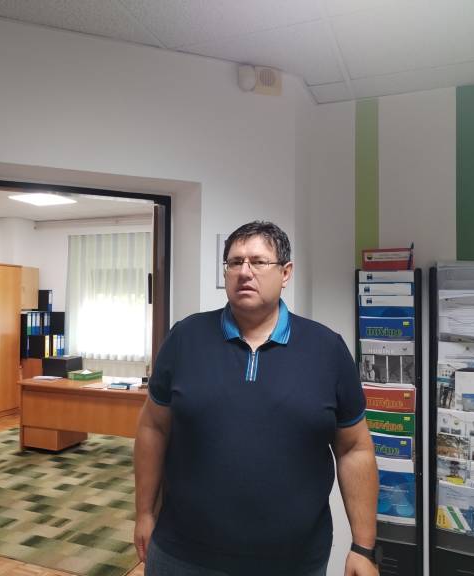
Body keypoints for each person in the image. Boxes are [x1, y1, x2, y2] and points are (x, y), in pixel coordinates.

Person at [133, 221, 379, 576]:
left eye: (258, 262)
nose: (244, 272)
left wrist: (363, 546)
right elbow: (153, 428)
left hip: (292, 562)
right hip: (182, 555)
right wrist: (144, 512)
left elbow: (354, 448)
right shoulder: (185, 338)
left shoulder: (327, 349)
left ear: (285, 273)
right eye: (235, 262)